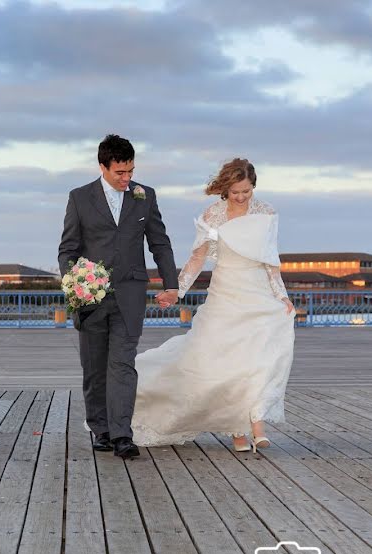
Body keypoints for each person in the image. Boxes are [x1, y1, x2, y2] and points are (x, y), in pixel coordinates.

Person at [131, 158, 296, 452]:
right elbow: (197, 259)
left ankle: (256, 423)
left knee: (257, 359)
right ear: (225, 190)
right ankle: (237, 430)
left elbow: (271, 261)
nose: (242, 198)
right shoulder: (213, 216)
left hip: (258, 294)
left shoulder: (267, 213)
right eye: (236, 192)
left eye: (247, 191)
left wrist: (281, 295)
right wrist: (177, 291)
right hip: (226, 293)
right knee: (225, 362)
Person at [58, 134, 179, 459]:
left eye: (130, 171)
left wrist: (171, 283)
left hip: (130, 294)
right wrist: (74, 282)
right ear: (103, 167)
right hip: (89, 299)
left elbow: (160, 242)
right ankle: (101, 429)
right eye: (119, 173)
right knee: (94, 367)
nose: (127, 178)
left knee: (123, 365)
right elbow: (68, 249)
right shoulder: (80, 198)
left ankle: (123, 434)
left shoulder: (145, 196)